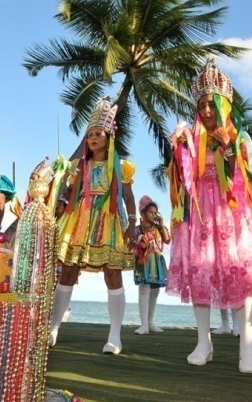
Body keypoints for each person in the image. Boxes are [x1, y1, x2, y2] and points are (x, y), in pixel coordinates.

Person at [167, 59, 252, 374]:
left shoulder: (239, 136)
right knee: (200, 273)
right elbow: (183, 180)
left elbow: (246, 177)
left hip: (233, 212)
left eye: (211, 104)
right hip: (200, 215)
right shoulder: (191, 138)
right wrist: (178, 151)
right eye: (201, 104)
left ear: (224, 105)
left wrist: (228, 145)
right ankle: (203, 341)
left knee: (240, 274)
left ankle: (247, 345)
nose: (206, 110)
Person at [49, 97, 137, 354]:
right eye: (90, 135)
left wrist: (132, 222)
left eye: (98, 134)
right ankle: (53, 328)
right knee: (67, 272)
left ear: (109, 137)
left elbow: (128, 197)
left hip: (109, 220)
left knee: (112, 274)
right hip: (79, 220)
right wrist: (60, 202)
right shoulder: (79, 166)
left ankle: (114, 336)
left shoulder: (122, 166)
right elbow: (69, 192)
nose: (94, 138)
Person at [132, 196, 170, 335]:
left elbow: (167, 240)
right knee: (143, 289)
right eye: (150, 212)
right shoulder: (137, 229)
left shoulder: (160, 228)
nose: (153, 215)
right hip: (144, 260)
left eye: (155, 213)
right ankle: (143, 325)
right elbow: (132, 244)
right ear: (143, 213)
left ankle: (150, 322)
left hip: (157, 259)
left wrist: (162, 224)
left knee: (155, 291)